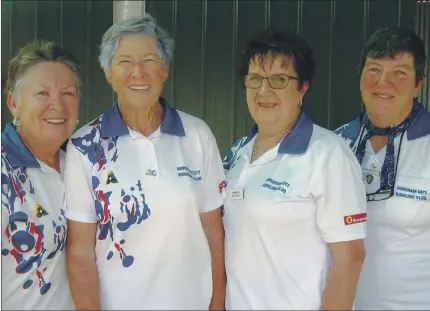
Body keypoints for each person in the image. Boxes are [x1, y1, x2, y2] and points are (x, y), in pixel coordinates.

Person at [64, 14, 226, 310]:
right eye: (124, 62)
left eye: (150, 60)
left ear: (165, 70)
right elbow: (79, 254)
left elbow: (215, 235)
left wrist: (217, 304)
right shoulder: (85, 146)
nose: (138, 72)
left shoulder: (197, 135)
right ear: (108, 73)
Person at [222, 27, 367, 310]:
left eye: (279, 79)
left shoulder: (328, 153)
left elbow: (350, 257)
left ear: (303, 87)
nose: (264, 91)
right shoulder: (236, 154)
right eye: (255, 79)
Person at [335, 27, 430, 310]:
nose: (384, 82)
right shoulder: (335, 145)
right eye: (374, 69)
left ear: (418, 84)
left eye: (400, 72)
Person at [1, 40, 80, 310]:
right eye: (43, 93)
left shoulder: (84, 164)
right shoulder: (4, 173)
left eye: (68, 93)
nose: (57, 105)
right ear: (13, 103)